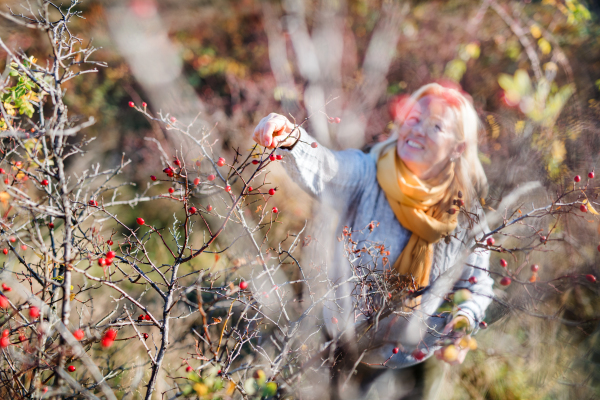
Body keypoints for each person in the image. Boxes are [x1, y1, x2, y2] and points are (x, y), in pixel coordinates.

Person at [252, 83, 495, 399]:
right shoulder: (370, 172)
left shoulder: (466, 215)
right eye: (413, 117)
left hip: (408, 369)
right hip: (338, 348)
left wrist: (463, 320)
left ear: (458, 148)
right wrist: (291, 137)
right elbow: (329, 169)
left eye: (435, 126)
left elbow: (476, 286)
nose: (417, 130)